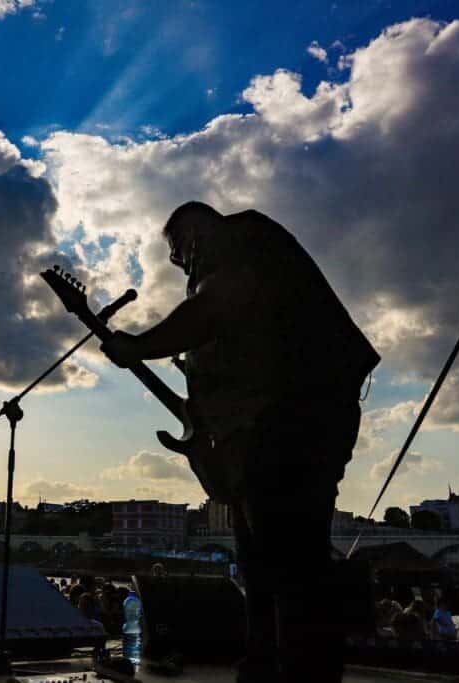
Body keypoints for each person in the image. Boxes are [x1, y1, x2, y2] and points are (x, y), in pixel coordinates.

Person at [100, 202, 379, 683]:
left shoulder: (237, 238)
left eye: (176, 252)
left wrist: (140, 347)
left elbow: (214, 306)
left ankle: (293, 671)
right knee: (263, 565)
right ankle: (266, 666)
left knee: (288, 565)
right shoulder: (259, 267)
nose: (176, 264)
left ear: (193, 233)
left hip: (290, 423)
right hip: (278, 429)